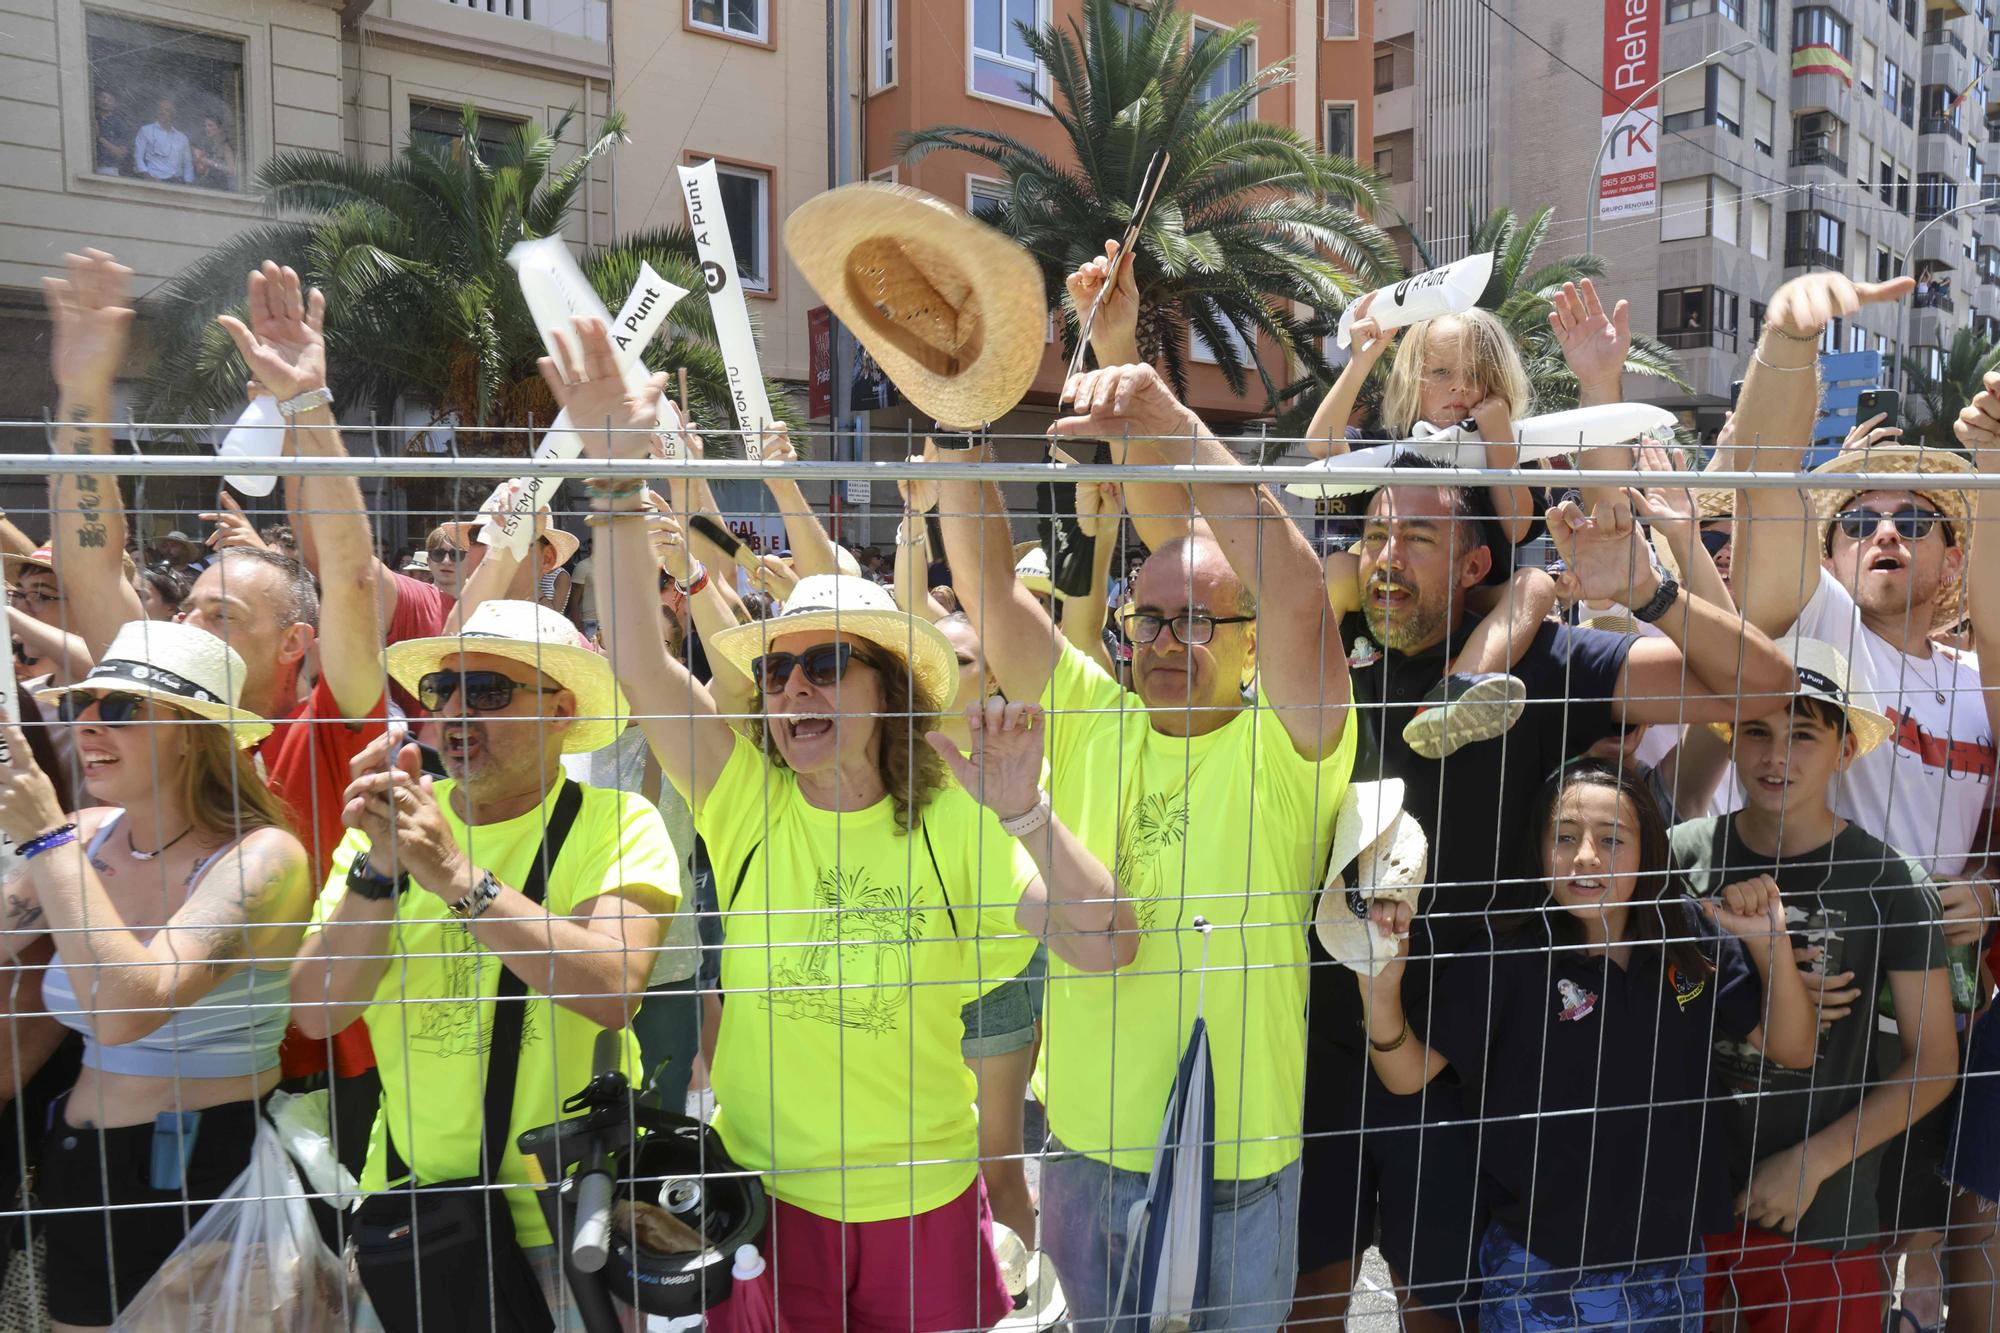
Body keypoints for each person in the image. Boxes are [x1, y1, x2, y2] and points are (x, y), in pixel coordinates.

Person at [558, 311, 1132, 1331]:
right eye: (776, 669)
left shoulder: (957, 817)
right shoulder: (742, 794)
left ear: (886, 690)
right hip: (766, 1208)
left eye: (824, 665)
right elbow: (643, 663)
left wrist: (1028, 812)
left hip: (925, 1205)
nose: (791, 690)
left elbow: (1104, 940)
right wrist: (609, 468)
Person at [1294, 453, 1793, 1328]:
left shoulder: (1553, 662)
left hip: (1462, 1059)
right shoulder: (1333, 659)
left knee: (1432, 1306)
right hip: (1310, 1043)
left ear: (1476, 564)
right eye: (1375, 533)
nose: (1386, 557)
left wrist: (1648, 589)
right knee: (1302, 1299)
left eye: (1417, 535)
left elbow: (1764, 689)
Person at [934, 357, 1359, 1333]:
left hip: (1240, 1170)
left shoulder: (1292, 743)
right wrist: (959, 422)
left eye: (1198, 619)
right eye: (1146, 620)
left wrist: (1166, 419)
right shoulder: (1090, 714)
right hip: (1082, 1158)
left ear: (1251, 641)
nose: (1164, 640)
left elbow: (1296, 592)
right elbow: (990, 595)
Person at [1725, 268, 1999, 1330]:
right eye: (1861, 516)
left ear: (1951, 554)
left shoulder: (1976, 686)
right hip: (1824, 1011)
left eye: (1916, 517)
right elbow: (1757, 500)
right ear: (1832, 552)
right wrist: (1786, 346)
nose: (1885, 530)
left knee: (1932, 1261)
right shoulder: (1824, 639)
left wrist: (1983, 889)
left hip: (1943, 1018)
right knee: (1818, 1274)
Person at [289, 598, 679, 1333]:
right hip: (415, 1214)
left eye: (489, 692)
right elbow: (319, 1009)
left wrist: (456, 875)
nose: (458, 712)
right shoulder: (393, 824)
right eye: (444, 690)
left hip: (573, 1228)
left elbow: (610, 986)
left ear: (561, 709)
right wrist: (379, 867)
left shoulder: (618, 822)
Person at [1354, 760, 1815, 1333]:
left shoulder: (1685, 936)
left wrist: (1770, 943)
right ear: (1539, 848)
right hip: (1538, 1264)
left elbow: (1793, 1048)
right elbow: (1409, 1076)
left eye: (1612, 839)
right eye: (1565, 837)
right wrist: (1381, 991)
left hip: (1666, 1264)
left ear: (1648, 848)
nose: (1586, 856)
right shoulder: (1507, 950)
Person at [0, 620, 312, 1330]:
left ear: (196, 733)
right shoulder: (85, 835)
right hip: (79, 1165)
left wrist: (45, 839)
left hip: (200, 1175)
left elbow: (127, 1009)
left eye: (120, 708)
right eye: (84, 703)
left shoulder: (263, 858)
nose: (87, 725)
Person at [1673, 638, 1958, 1333]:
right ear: (1730, 736)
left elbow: (1934, 1062)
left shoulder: (1891, 883)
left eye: (1802, 734)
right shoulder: (1679, 855)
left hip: (1822, 1216)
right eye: (1757, 730)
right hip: (1676, 1201)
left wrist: (1815, 1161)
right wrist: (1758, 980)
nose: (1777, 756)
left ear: (1846, 750)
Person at [132, 97, 193, 184]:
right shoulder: (146, 130)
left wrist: (188, 185)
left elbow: (188, 165)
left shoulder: (182, 138)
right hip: (152, 181)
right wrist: (147, 176)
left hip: (176, 183)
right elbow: (138, 157)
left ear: (174, 114)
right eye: (160, 109)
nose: (162, 112)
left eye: (166, 110)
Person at [91, 88, 131, 176]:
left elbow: (120, 153)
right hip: (88, 168)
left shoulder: (119, 124)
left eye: (109, 99)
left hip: (108, 169)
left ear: (115, 104)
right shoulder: (91, 117)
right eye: (103, 97)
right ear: (97, 100)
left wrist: (100, 138)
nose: (105, 102)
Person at [193, 114, 237, 192]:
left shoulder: (225, 147)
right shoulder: (212, 145)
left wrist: (212, 163)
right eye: (205, 126)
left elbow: (232, 170)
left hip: (221, 186)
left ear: (219, 129)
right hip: (212, 184)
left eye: (210, 125)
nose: (207, 128)